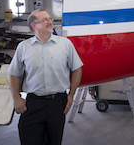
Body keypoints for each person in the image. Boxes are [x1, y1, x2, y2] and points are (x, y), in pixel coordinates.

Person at [8, 9, 83, 145]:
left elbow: (77, 69)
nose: (50, 22)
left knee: (54, 142)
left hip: (58, 103)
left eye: (49, 19)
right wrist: (16, 98)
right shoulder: (23, 47)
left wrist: (71, 96)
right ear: (34, 26)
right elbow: (14, 74)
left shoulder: (65, 44)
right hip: (32, 103)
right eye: (45, 20)